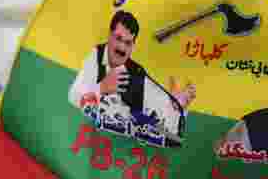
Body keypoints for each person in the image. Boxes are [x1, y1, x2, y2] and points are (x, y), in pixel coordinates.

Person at [68, 10, 196, 140]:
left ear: (133, 46)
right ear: (109, 36)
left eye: (128, 43)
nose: (122, 47)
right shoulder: (96, 56)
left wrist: (175, 108)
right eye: (118, 39)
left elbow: (167, 130)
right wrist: (101, 88)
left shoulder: (137, 73)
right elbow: (74, 96)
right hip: (86, 142)